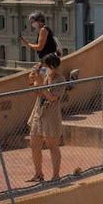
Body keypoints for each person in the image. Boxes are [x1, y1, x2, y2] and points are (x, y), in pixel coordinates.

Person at [26, 54, 66, 182]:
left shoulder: (60, 80)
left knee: (52, 146)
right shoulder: (44, 76)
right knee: (34, 144)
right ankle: (38, 174)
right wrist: (32, 81)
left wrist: (40, 82)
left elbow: (52, 97)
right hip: (38, 114)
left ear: (53, 67)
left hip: (51, 116)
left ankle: (56, 175)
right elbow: (36, 93)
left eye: (46, 67)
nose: (44, 69)